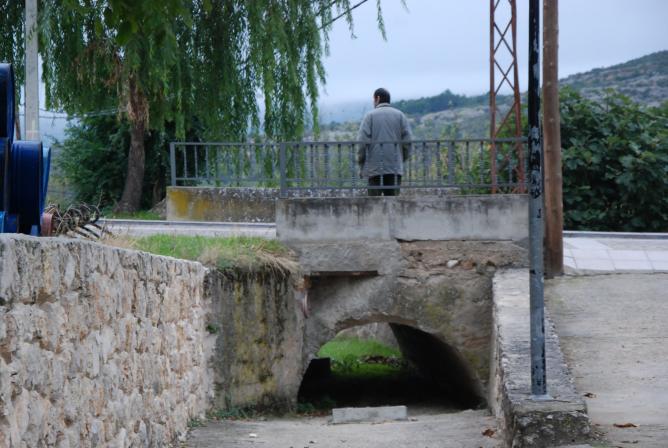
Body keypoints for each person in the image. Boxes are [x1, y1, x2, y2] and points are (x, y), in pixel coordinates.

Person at [357, 87, 412, 196]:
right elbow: (408, 141)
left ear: (377, 98)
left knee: (373, 203)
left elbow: (362, 142)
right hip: (395, 167)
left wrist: (361, 164)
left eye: (373, 100)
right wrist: (402, 159)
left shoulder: (370, 116)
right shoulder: (400, 115)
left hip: (375, 168)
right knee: (393, 202)